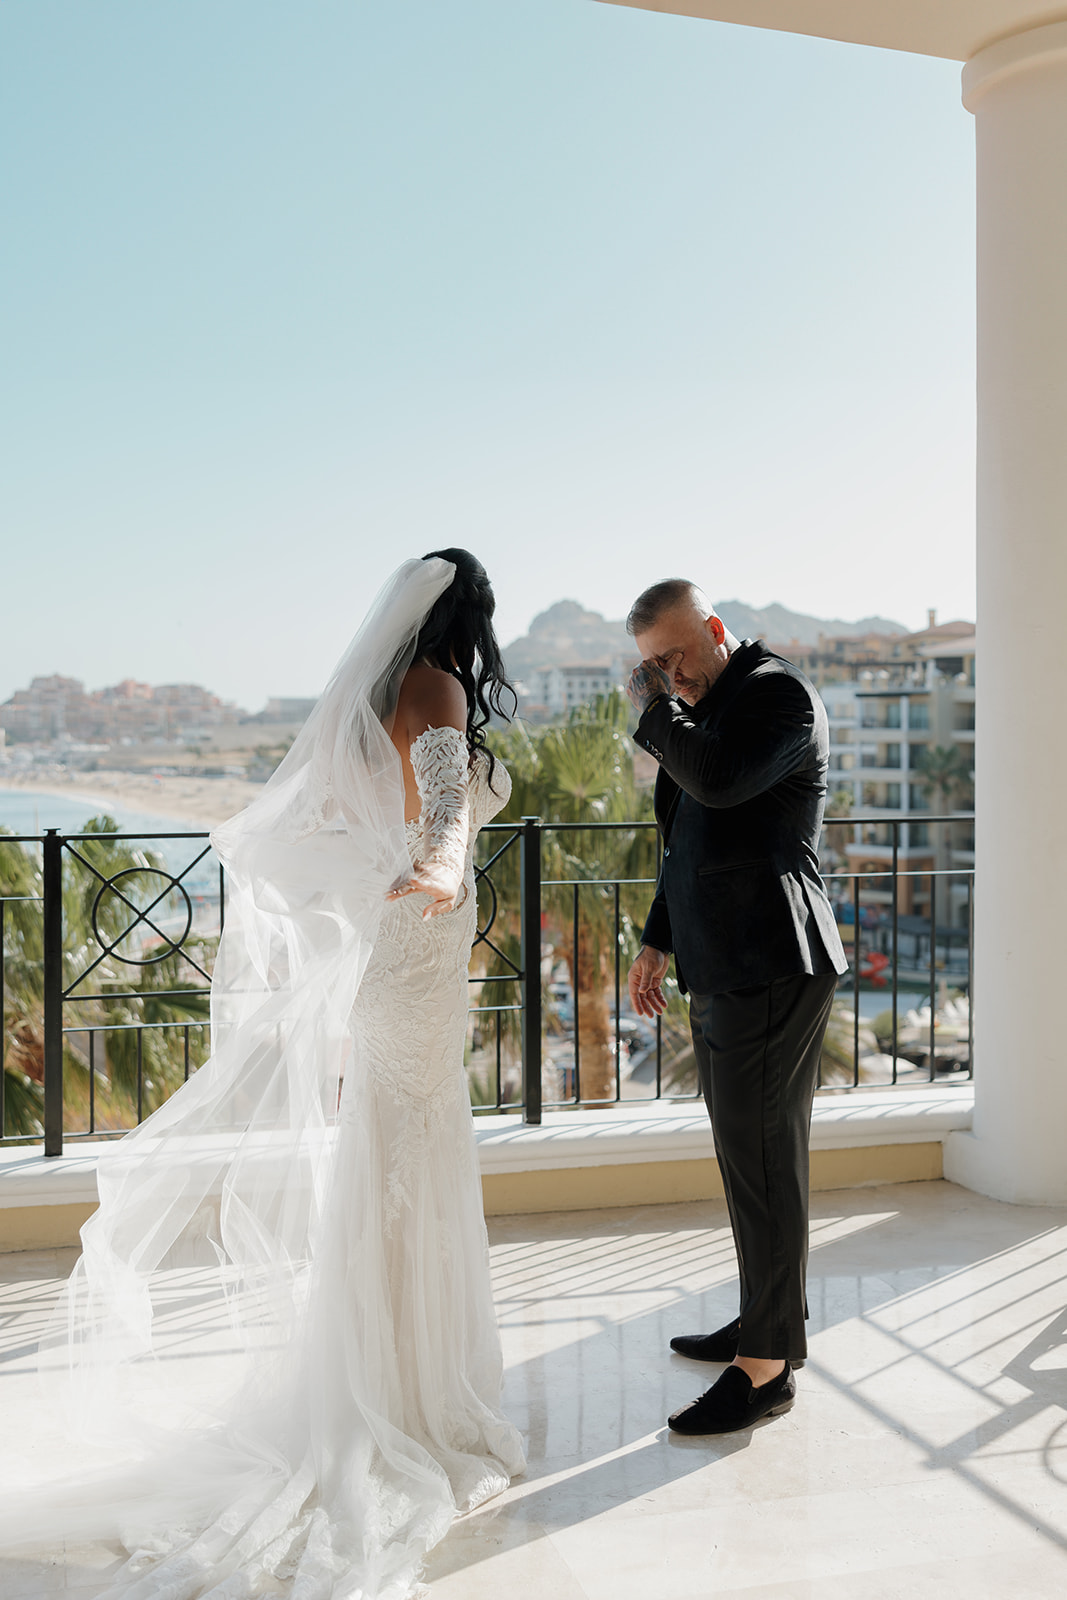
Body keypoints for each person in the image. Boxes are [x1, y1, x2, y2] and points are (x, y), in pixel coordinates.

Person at [0, 552, 525, 1599]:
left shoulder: (387, 694)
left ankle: (395, 1376)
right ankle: (411, 1396)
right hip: (420, 943)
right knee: (412, 1149)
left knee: (399, 1149)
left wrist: (417, 867)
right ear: (469, 618)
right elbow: (449, 813)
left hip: (407, 945)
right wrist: (439, 864)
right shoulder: (439, 684)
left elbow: (357, 818)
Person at [624, 578, 847, 1437]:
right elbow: (686, 834)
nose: (666, 675)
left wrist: (651, 707)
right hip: (725, 962)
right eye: (650, 664)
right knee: (747, 1160)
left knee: (760, 1161)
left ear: (715, 629)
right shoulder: (707, 709)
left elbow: (715, 784)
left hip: (771, 959)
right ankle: (762, 1322)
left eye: (675, 654)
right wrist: (656, 939)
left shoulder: (777, 695)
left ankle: (765, 1371)